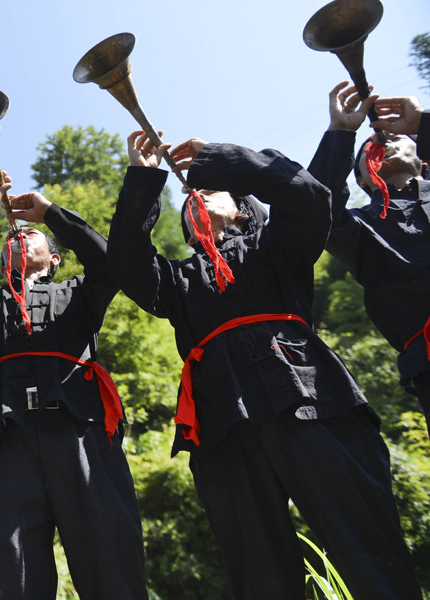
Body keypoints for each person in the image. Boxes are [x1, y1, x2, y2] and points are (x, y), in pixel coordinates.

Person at [106, 131, 421, 599]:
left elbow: (308, 193)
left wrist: (219, 159)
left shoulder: (278, 245)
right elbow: (126, 259)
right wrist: (143, 178)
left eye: (211, 191)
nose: (198, 195)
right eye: (191, 199)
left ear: (244, 209)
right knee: (259, 576)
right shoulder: (174, 281)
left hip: (311, 397)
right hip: (221, 421)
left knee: (367, 543)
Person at [0, 169, 148, 599]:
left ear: (55, 258)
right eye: (13, 238)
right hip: (7, 443)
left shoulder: (80, 294)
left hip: (82, 434)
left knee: (112, 562)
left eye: (32, 237)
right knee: (13, 576)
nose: (19, 237)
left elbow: (111, 263)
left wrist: (51, 215)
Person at [308, 83, 430, 434]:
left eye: (396, 138)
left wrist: (421, 122)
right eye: (368, 148)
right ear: (361, 178)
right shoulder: (359, 228)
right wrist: (342, 134)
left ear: (423, 159)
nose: (382, 140)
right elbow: (317, 209)